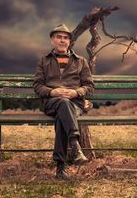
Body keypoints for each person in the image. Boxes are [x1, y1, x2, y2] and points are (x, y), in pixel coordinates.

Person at [33, 24, 94, 180]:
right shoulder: (44, 61)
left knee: (64, 112)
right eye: (58, 37)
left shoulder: (80, 61)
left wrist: (75, 92)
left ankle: (61, 167)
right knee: (62, 104)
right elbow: (38, 85)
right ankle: (74, 144)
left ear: (70, 41)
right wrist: (52, 91)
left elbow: (89, 86)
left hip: (75, 103)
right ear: (53, 40)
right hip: (52, 102)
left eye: (65, 37)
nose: (62, 40)